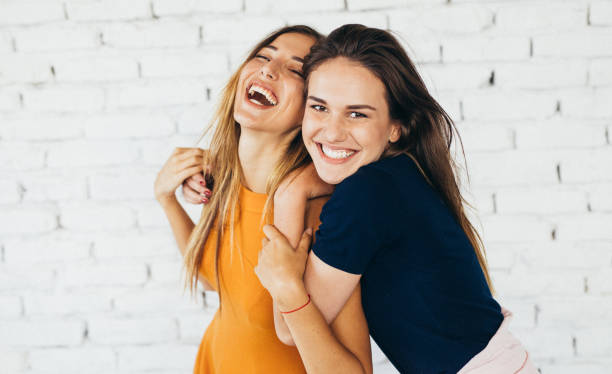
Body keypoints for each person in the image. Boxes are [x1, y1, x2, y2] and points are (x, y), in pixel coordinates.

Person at [254, 24, 538, 373]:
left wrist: (289, 198)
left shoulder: (367, 193)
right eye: (319, 108)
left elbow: (287, 330)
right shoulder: (397, 176)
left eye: (357, 113)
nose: (331, 131)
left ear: (395, 127)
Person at [154, 25, 373, 374]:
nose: (269, 69)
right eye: (263, 56)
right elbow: (215, 281)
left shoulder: (317, 215)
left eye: (294, 69)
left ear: (311, 108)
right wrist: (167, 200)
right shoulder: (225, 184)